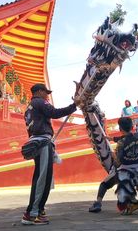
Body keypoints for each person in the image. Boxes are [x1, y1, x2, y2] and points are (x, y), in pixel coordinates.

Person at [21, 83, 81, 225]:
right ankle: (32, 213)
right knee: (43, 179)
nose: (47, 95)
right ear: (39, 92)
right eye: (46, 92)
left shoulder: (30, 107)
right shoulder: (40, 102)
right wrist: (73, 106)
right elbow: (54, 113)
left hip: (38, 142)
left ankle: (39, 210)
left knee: (43, 177)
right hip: (42, 142)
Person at [115, 117, 138, 215]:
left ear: (120, 129)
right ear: (132, 127)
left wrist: (112, 155)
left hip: (126, 168)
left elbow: (118, 161)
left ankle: (132, 202)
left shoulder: (121, 143)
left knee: (120, 183)